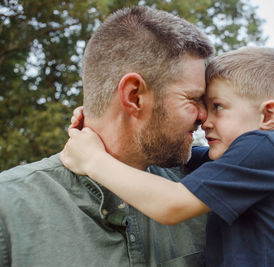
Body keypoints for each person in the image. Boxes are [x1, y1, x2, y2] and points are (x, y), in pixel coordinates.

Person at [61, 47, 274, 267]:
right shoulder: (255, 161)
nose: (205, 120)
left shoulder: (267, 146)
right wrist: (107, 120)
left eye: (218, 107)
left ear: (268, 116)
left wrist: (92, 158)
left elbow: (172, 205)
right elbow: (174, 154)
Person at [0, 6, 214, 267]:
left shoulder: (203, 194)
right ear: (133, 96)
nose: (204, 116)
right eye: (193, 99)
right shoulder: (8, 207)